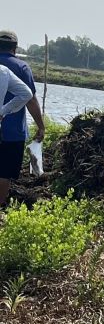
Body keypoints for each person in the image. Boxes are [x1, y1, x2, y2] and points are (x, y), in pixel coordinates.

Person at [0, 30, 45, 205]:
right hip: (12, 132)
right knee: (4, 173)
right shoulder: (21, 67)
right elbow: (30, 99)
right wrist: (40, 126)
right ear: (15, 48)